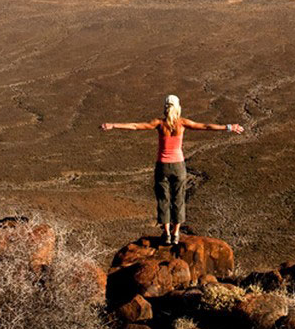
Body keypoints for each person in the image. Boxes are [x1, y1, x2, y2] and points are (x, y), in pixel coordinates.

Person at [102, 94, 243, 244]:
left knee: (163, 199)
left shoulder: (159, 123)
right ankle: (176, 233)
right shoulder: (182, 123)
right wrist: (229, 127)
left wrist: (113, 125)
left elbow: (136, 126)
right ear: (178, 108)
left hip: (162, 166)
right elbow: (205, 126)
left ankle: (167, 233)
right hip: (178, 167)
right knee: (179, 199)